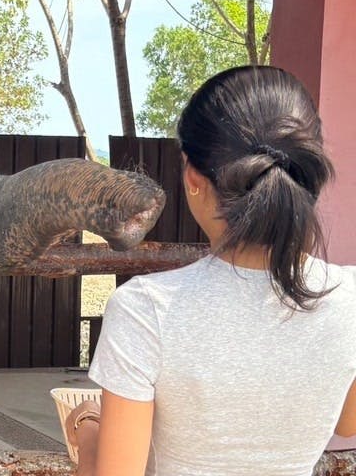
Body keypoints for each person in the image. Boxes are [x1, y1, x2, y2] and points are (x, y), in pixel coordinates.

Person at [65, 65, 356, 475]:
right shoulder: (351, 298)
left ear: (193, 177)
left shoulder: (146, 309)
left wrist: (89, 430)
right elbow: (346, 422)